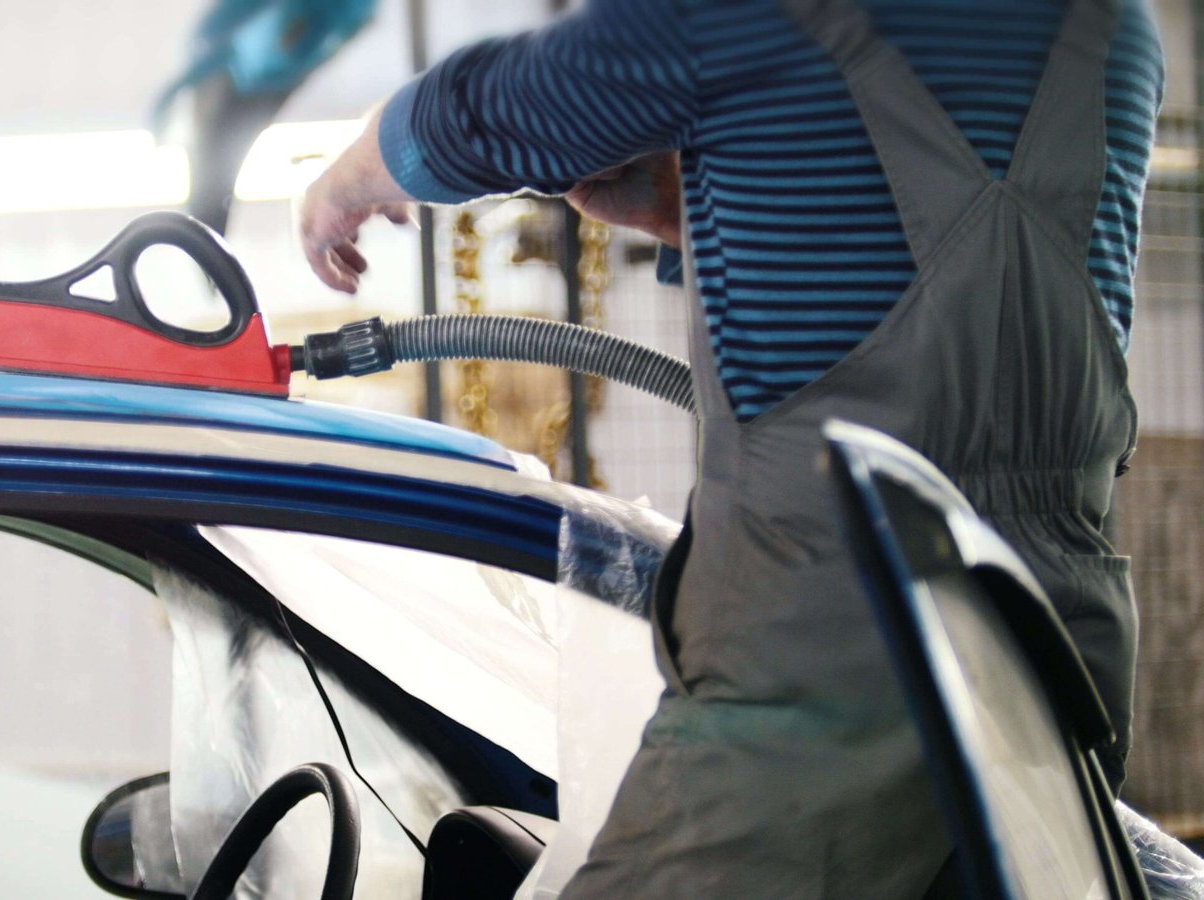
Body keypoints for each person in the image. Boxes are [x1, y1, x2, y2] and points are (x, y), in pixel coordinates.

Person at [300, 0, 1164, 894]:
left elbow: (507, 109)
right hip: (1053, 653)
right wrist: (718, 203)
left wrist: (357, 169)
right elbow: (971, 295)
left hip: (828, 650)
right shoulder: (1114, 30)